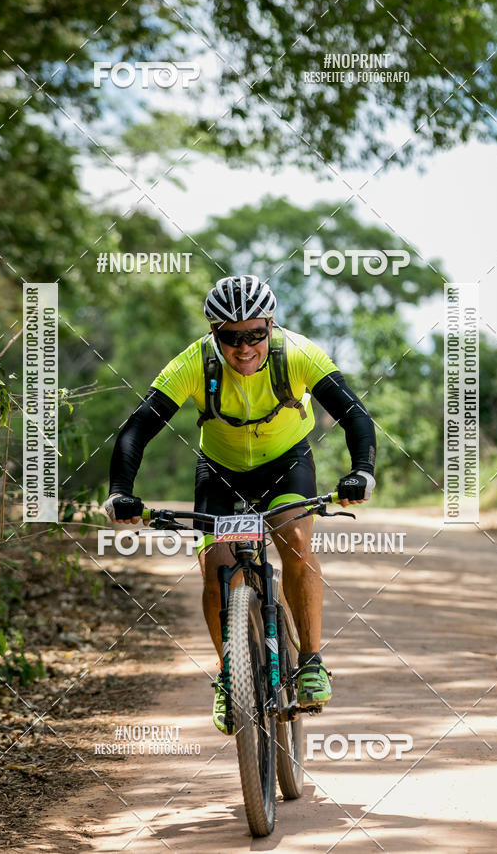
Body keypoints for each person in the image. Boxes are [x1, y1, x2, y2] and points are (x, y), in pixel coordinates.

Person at [104, 275, 376, 734]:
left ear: (271, 325)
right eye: (232, 337)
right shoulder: (194, 362)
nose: (244, 347)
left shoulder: (299, 354)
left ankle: (310, 660)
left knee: (293, 539)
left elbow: (355, 416)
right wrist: (118, 491)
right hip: (221, 471)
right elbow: (136, 430)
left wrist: (361, 470)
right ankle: (230, 677)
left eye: (255, 334)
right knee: (215, 568)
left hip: (287, 464)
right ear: (215, 334)